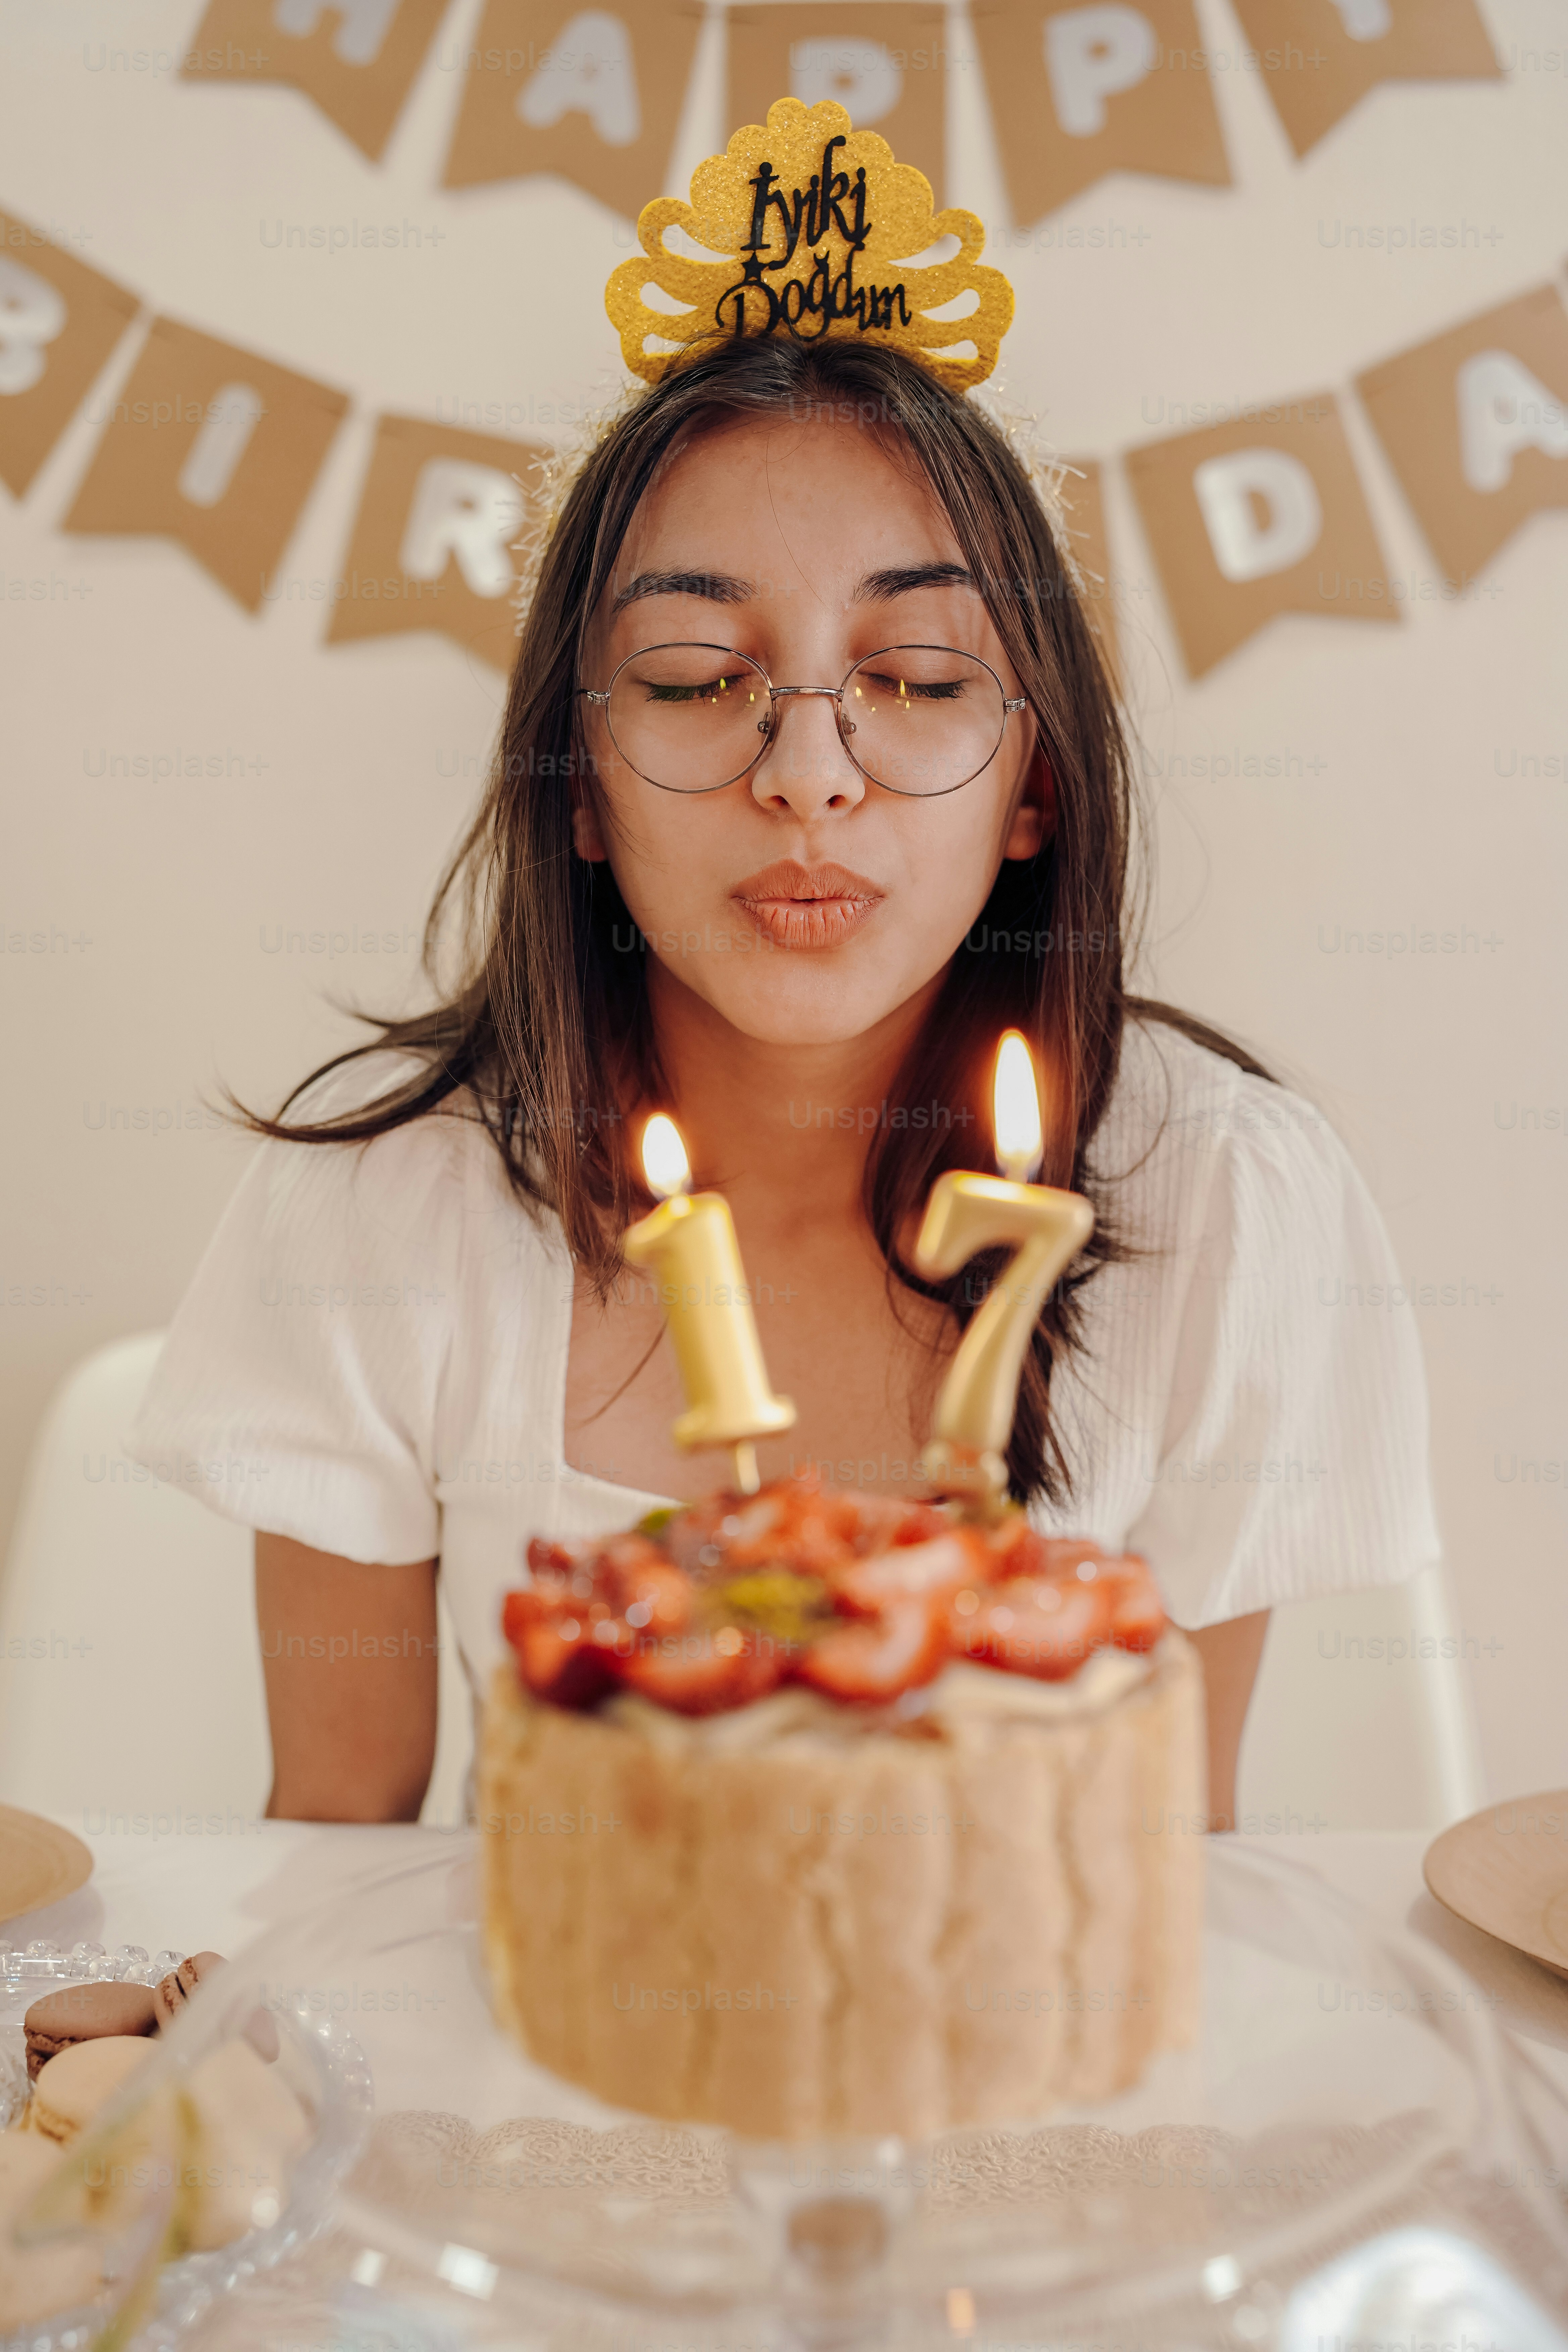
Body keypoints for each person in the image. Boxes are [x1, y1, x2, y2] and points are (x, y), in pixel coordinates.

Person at [130, 221, 1438, 1839]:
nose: (807, 772)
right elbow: (330, 1864)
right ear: (581, 786)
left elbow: (1172, 1865)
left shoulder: (1226, 1200)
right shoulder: (383, 1204)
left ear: (1035, 781)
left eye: (913, 673)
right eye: (690, 676)